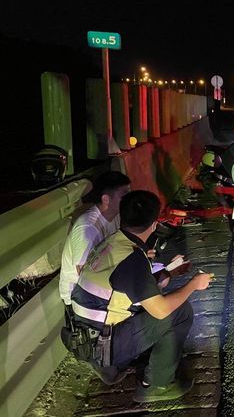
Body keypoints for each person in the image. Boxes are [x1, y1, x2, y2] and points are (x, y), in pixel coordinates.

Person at [70, 190, 213, 402]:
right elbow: (161, 310)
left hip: (85, 334)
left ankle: (123, 362)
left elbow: (121, 285)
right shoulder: (132, 259)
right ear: (155, 224)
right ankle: (155, 385)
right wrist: (193, 284)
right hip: (104, 345)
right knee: (179, 311)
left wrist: (167, 274)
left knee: (159, 299)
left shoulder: (113, 243)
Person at [59, 171, 131, 305]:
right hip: (80, 296)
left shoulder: (115, 216)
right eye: (124, 196)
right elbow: (84, 275)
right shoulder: (88, 228)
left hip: (100, 281)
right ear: (106, 199)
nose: (130, 199)